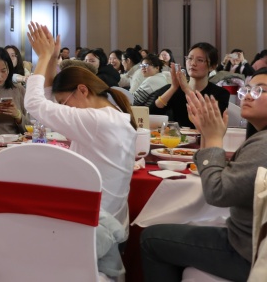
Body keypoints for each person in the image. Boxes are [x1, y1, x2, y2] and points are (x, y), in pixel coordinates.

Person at [140, 74, 267, 281]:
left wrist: (215, 138)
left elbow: (217, 193)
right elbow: (221, 177)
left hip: (249, 251)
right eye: (246, 90)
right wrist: (207, 134)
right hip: (248, 239)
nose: (247, 96)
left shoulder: (263, 145)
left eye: (258, 90)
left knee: (150, 239)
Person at [26, 22, 137, 227]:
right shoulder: (112, 114)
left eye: (64, 103)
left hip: (93, 224)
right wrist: (52, 58)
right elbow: (48, 100)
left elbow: (34, 103)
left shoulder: (96, 121)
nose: (63, 109)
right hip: (105, 219)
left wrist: (42, 57)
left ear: (83, 90)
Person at [150, 43, 231, 128]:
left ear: (212, 67)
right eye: (190, 58)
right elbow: (151, 113)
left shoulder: (220, 94)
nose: (193, 63)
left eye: (200, 60)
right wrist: (173, 88)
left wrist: (187, 89)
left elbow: (210, 122)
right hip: (176, 136)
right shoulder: (174, 88)